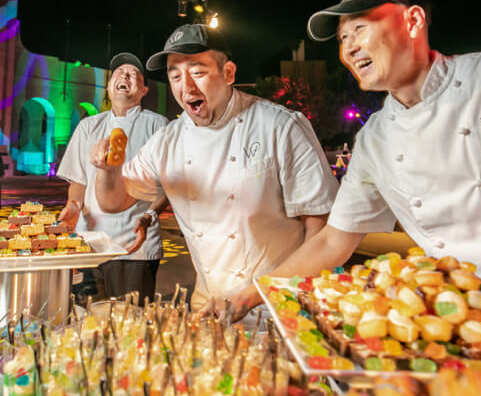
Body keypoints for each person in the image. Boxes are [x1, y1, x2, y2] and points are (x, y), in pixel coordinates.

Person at [227, 0, 481, 321]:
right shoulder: (375, 139)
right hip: (464, 329)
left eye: (360, 29)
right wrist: (250, 295)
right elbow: (332, 242)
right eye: (342, 38)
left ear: (413, 21)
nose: (349, 47)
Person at [91, 25, 339, 319]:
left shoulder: (281, 126)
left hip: (279, 308)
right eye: (175, 76)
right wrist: (108, 169)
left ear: (229, 73)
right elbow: (113, 201)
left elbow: (320, 228)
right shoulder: (167, 140)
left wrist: (282, 296)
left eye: (197, 72)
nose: (186, 87)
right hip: (208, 307)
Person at [58, 53, 169, 306]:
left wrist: (149, 216)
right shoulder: (89, 126)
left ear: (143, 90)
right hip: (90, 244)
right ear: (109, 87)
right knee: (87, 322)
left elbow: (168, 187)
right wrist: (73, 206)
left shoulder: (158, 126)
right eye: (119, 73)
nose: (124, 76)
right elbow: (79, 179)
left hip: (135, 248)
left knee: (131, 325)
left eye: (133, 74)